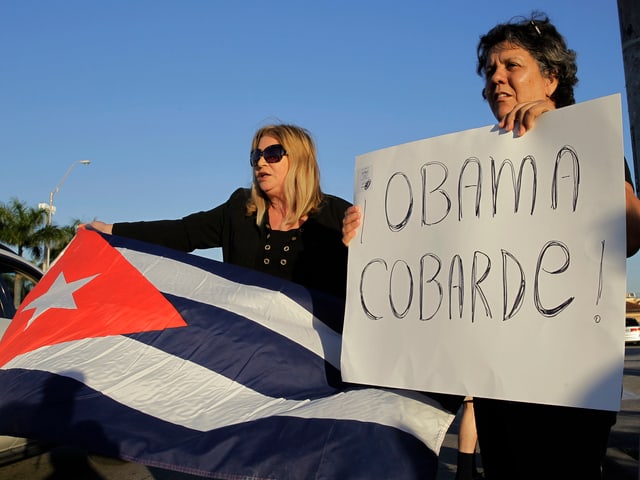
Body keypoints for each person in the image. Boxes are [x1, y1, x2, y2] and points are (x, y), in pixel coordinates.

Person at [342, 12, 640, 480]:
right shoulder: (473, 169)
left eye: (511, 66)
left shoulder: (587, 140)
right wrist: (369, 236)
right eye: (489, 72)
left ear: (551, 78)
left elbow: (630, 234)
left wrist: (562, 128)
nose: (496, 79)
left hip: (568, 389)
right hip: (499, 389)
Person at [89, 123, 352, 303]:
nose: (260, 162)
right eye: (256, 155)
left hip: (316, 357)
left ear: (299, 161)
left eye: (273, 154)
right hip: (246, 348)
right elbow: (183, 232)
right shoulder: (239, 209)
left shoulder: (338, 216)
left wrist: (359, 245)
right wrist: (112, 231)